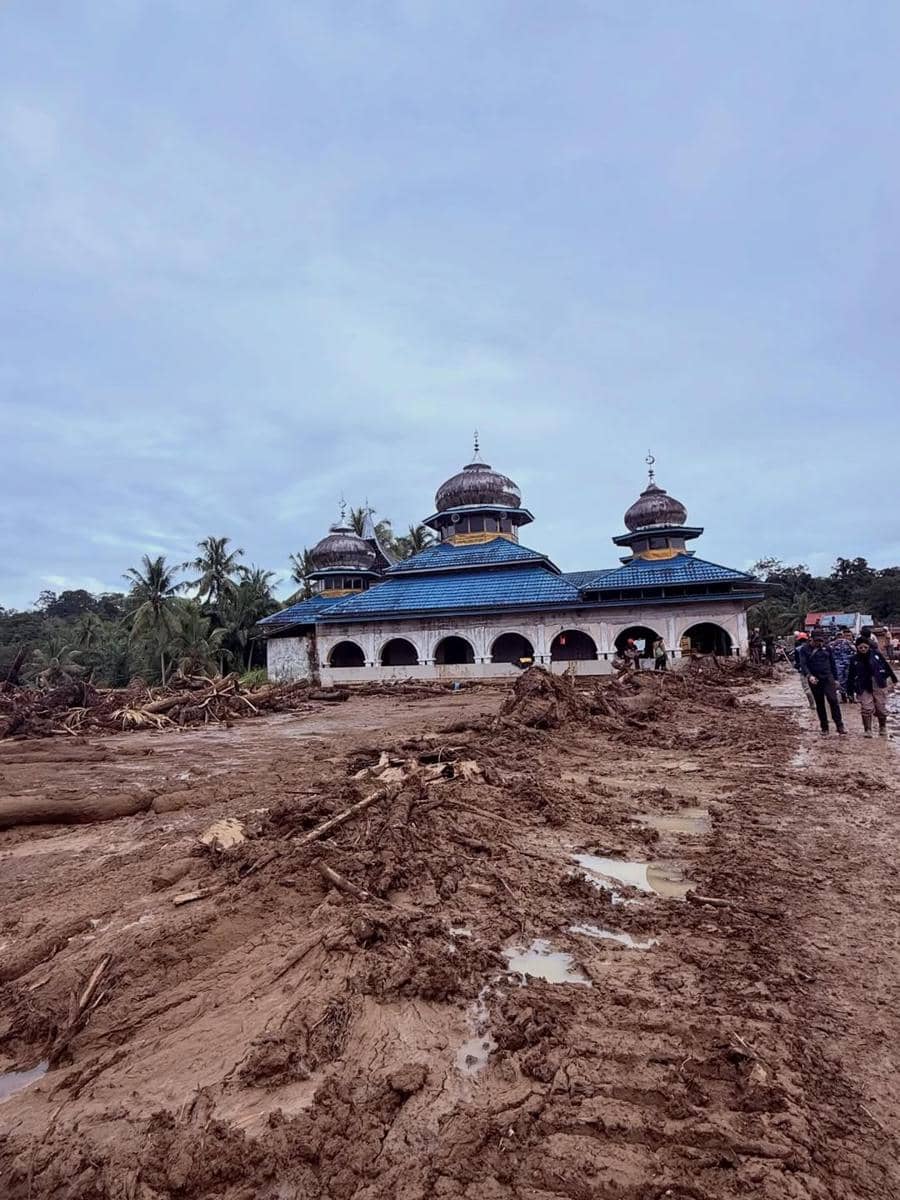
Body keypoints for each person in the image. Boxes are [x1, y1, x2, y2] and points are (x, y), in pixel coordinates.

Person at [846, 637, 897, 737]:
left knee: (881, 707)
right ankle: (868, 729)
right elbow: (850, 676)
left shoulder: (876, 655)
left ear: (869, 647)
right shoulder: (854, 659)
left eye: (865, 647)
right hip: (862, 685)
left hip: (878, 683)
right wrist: (850, 692)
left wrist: (894, 679)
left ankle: (882, 727)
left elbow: (886, 666)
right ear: (857, 648)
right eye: (861, 648)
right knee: (866, 707)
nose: (863, 649)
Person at [801, 629, 847, 735]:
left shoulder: (828, 648)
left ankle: (839, 725)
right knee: (820, 703)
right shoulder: (805, 649)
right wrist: (809, 676)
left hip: (828, 678)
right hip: (814, 679)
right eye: (817, 641)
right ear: (811, 639)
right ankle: (824, 727)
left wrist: (836, 679)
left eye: (821, 641)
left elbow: (833, 664)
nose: (819, 643)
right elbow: (803, 665)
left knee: (833, 700)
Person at [830, 632, 855, 703]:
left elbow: (855, 650)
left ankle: (848, 696)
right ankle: (845, 696)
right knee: (843, 680)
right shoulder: (833, 644)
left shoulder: (847, 643)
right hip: (841, 664)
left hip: (845, 664)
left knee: (847, 680)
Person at [793, 632, 815, 709]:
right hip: (813, 670)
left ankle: (812, 704)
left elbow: (796, 662)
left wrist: (796, 667)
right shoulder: (812, 648)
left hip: (803, 671)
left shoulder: (797, 649)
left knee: (806, 688)